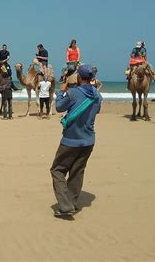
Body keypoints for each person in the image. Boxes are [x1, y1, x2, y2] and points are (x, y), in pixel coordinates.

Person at [50, 64, 102, 217]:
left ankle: (65, 205)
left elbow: (59, 107)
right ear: (92, 78)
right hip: (88, 140)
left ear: (79, 77)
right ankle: (71, 203)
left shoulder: (72, 93)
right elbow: (97, 110)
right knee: (77, 171)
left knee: (57, 170)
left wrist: (62, 90)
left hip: (70, 141)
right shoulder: (98, 96)